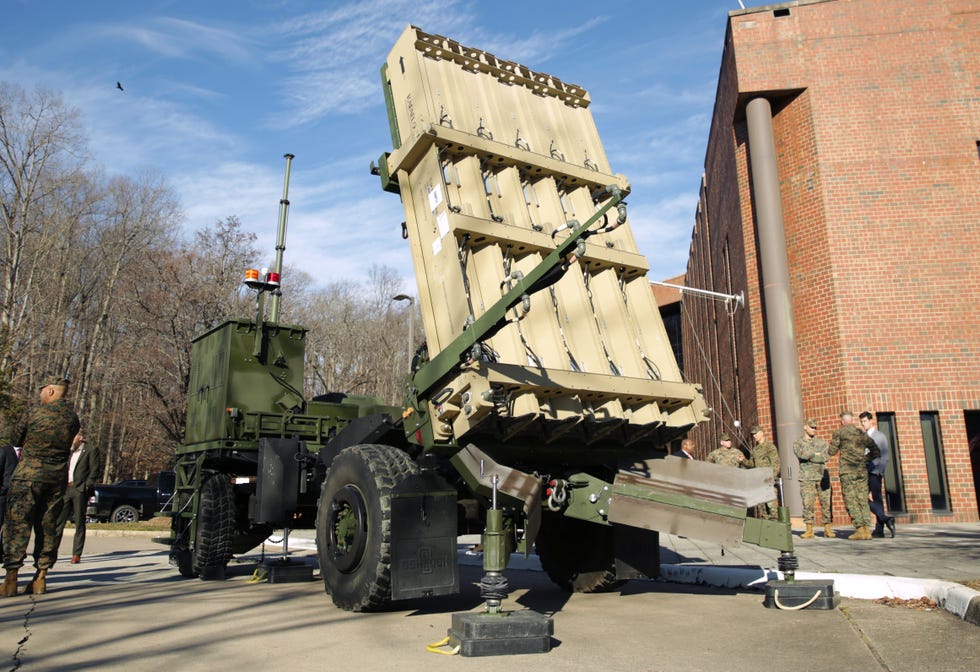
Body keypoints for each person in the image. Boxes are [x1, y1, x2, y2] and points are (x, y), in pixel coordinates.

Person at [1, 377, 81, 596]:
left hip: (28, 476)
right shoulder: (73, 419)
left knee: (17, 525)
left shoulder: (33, 413)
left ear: (52, 391)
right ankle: (40, 578)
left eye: (42, 390)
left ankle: (10, 579)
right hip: (56, 479)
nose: (40, 394)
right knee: (47, 526)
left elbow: (15, 439)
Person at [828, 410, 879, 541]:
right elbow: (875, 450)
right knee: (862, 499)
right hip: (861, 471)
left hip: (848, 471)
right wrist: (865, 459)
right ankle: (867, 530)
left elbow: (832, 451)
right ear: (852, 420)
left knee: (851, 499)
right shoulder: (860, 433)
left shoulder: (839, 432)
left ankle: (859, 529)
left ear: (842, 421)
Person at [55, 432, 102, 563]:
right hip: (66, 489)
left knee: (79, 522)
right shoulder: (69, 452)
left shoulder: (91, 450)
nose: (71, 440)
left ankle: (76, 554)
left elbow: (95, 470)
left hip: (80, 489)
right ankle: (52, 552)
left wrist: (86, 486)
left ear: (80, 438)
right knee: (59, 521)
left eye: (73, 437)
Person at [793, 419, 835, 539]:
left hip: (822, 476)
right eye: (811, 427)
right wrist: (815, 454)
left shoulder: (822, 443)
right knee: (808, 503)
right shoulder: (798, 443)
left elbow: (826, 456)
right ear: (805, 427)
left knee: (826, 503)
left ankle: (827, 529)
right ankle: (809, 529)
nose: (814, 429)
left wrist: (811, 455)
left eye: (815, 428)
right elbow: (801, 454)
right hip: (807, 478)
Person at [860, 411, 896, 538]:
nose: (863, 424)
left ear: (871, 421)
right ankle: (886, 519)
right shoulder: (862, 437)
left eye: (864, 421)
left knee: (877, 499)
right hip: (864, 472)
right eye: (861, 422)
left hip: (874, 472)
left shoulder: (879, 436)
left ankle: (879, 530)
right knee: (861, 498)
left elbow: (884, 456)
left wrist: (878, 471)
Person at [747, 425, 780, 520]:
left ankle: (775, 528)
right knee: (762, 508)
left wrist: (773, 477)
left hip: (768, 480)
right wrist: (743, 460)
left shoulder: (769, 447)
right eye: (753, 434)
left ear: (761, 433)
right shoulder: (755, 450)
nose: (754, 436)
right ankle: (767, 530)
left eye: (755, 433)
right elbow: (752, 464)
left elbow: (775, 463)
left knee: (771, 507)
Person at [0, 443, 20, 562]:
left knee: (14, 526)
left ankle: (11, 552)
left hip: (20, 496)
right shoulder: (5, 451)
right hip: (4, 495)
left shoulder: (28, 453)